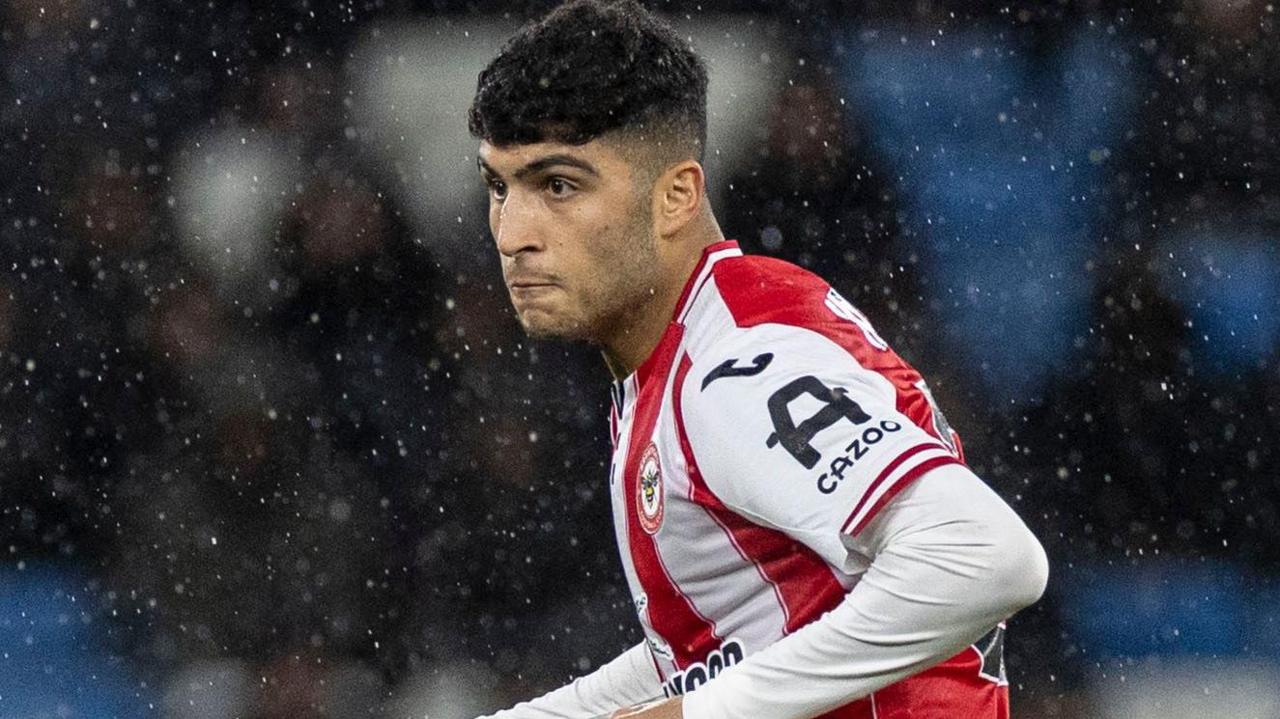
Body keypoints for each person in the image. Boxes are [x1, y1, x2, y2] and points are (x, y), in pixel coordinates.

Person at [465, 2, 1049, 717]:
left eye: (559, 185)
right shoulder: (683, 353)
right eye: (500, 186)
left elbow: (985, 558)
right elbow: (715, 652)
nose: (514, 233)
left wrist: (697, 715)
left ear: (675, 195)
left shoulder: (739, 363)